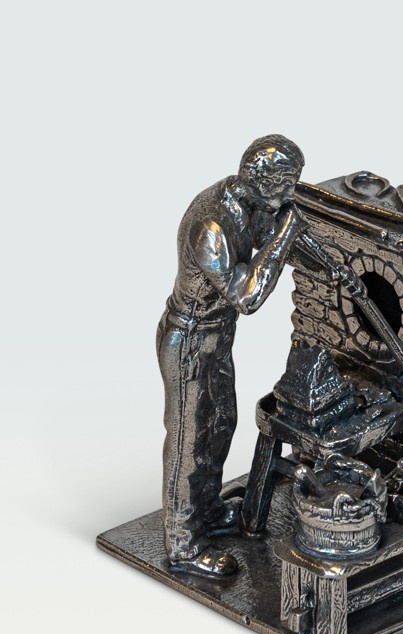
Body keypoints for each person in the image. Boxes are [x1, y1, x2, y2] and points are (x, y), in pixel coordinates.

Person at [157, 135, 306, 578]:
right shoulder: (212, 225)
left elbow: (264, 240)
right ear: (261, 179)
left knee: (222, 423)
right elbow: (247, 295)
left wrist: (285, 228)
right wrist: (287, 233)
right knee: (189, 442)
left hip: (216, 337)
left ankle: (206, 509)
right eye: (288, 182)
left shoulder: (248, 206)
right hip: (190, 340)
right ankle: (183, 544)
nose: (293, 192)